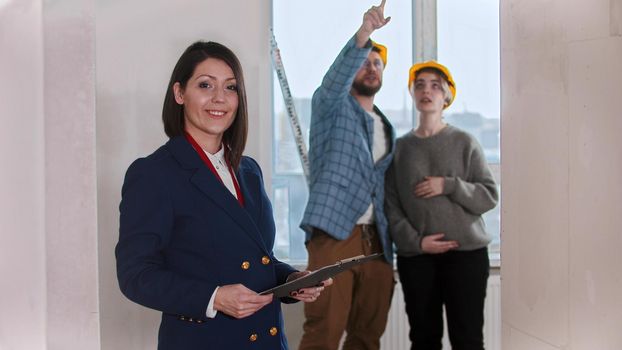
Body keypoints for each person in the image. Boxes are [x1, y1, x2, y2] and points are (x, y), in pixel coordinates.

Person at [115, 41, 331, 350]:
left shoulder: (248, 171)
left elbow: (255, 258)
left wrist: (290, 282)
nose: (219, 98)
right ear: (179, 93)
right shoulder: (154, 174)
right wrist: (213, 297)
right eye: (205, 85)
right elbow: (135, 275)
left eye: (230, 87)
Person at [298, 1, 396, 349]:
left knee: (367, 336)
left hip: (378, 242)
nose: (371, 67)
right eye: (366, 62)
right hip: (335, 233)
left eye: (378, 64)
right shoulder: (331, 106)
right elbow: (334, 81)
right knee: (324, 331)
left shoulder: (386, 126)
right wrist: (365, 35)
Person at [384, 61, 499, 350]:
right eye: (420, 84)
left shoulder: (465, 142)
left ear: (447, 96)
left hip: (467, 257)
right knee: (423, 340)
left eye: (436, 85)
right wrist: (418, 243)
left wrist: (448, 185)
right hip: (418, 259)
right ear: (412, 93)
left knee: (468, 340)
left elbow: (488, 195)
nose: (427, 90)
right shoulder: (400, 149)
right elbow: (391, 206)